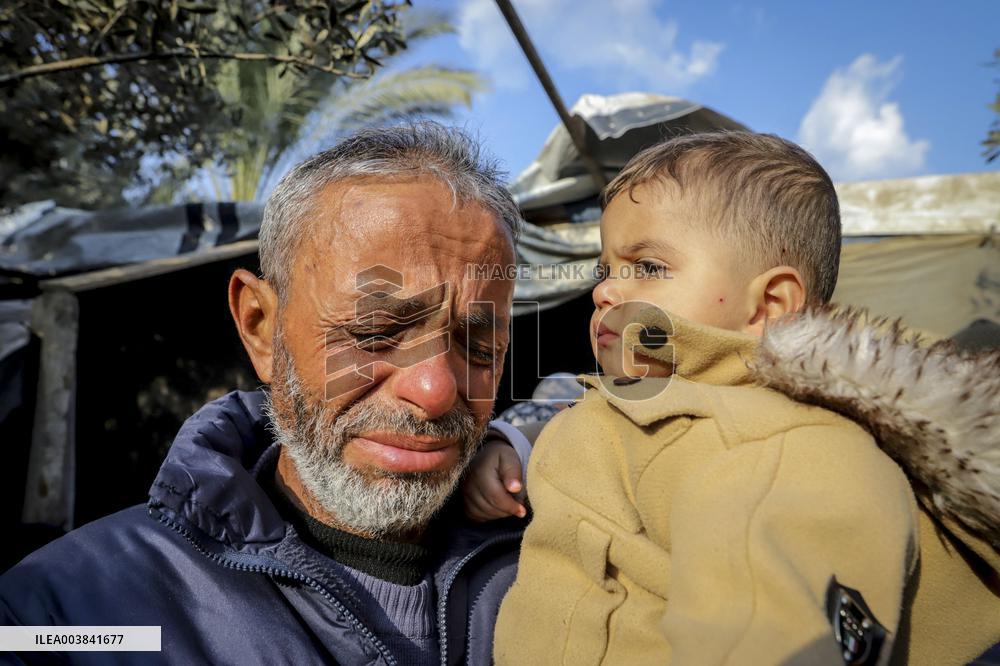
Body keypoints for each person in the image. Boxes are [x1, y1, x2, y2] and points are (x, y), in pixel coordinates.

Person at [0, 122, 532, 665]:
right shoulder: (62, 616)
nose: (436, 389)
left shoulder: (556, 561)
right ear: (260, 326)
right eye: (374, 333)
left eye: (480, 348)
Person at [464, 132, 1000, 664]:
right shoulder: (646, 402)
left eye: (647, 267)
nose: (603, 290)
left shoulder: (781, 449)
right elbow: (588, 422)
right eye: (605, 270)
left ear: (769, 306)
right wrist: (512, 445)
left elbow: (773, 637)